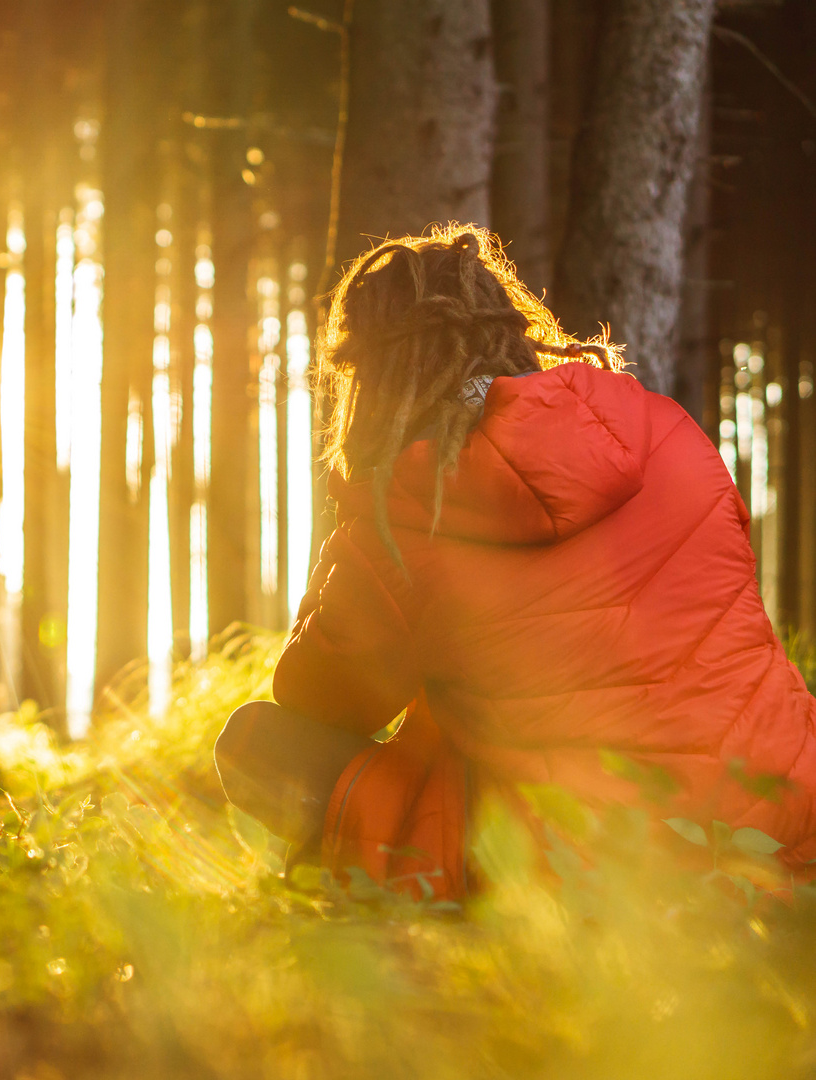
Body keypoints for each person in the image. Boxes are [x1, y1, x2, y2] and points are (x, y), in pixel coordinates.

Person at [215, 225, 816, 899]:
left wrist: (356, 530)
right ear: (507, 324)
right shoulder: (666, 429)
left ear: (374, 375)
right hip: (779, 827)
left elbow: (317, 697)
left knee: (254, 740)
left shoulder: (402, 514)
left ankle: (359, 903)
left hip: (579, 875)